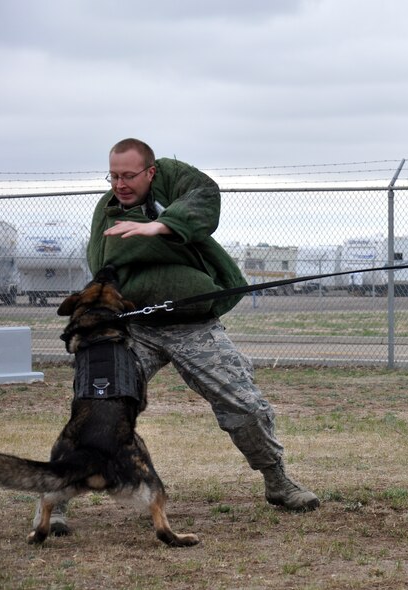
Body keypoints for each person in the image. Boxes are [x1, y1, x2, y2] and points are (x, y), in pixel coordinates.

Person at [35, 138, 319, 537]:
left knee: (245, 404)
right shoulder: (108, 210)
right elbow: (104, 263)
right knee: (95, 406)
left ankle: (278, 482)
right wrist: (154, 239)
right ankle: (55, 498)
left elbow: (205, 196)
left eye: (129, 175)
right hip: (135, 330)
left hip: (195, 325)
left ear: (150, 172)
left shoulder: (173, 183)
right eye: (113, 175)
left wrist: (161, 225)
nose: (119, 183)